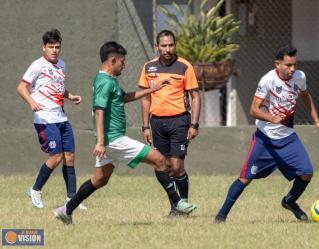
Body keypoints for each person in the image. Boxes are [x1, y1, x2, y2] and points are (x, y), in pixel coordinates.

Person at [54, 41, 197, 224]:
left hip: (109, 141)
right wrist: (100, 142)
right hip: (114, 140)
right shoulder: (105, 82)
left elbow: (125, 97)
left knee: (99, 179)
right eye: (122, 61)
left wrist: (154, 88)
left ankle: (66, 210)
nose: (124, 65)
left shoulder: (108, 80)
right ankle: (178, 203)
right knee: (160, 160)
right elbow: (99, 111)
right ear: (112, 60)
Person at [214, 45, 319, 223]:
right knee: (245, 178)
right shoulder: (267, 80)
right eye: (288, 65)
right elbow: (253, 110)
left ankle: (289, 201)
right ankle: (221, 216)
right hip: (265, 140)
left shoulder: (300, 77)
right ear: (277, 64)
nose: (292, 69)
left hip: (288, 138)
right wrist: (270, 117)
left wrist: (317, 121)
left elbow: (306, 96)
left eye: (294, 65)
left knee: (307, 172)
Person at [17, 29, 87, 210]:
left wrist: (71, 96)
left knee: (69, 157)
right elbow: (21, 87)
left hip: (61, 117)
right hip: (45, 119)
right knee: (55, 157)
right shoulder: (37, 65)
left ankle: (71, 199)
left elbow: (57, 87)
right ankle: (35, 189)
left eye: (57, 47)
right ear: (44, 48)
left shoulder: (62, 64)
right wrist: (31, 102)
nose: (54, 50)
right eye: (51, 47)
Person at [139, 30, 201, 216]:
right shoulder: (148, 67)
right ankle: (175, 207)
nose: (167, 49)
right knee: (164, 165)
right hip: (156, 122)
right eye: (164, 45)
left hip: (179, 120)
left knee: (176, 165)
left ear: (175, 45)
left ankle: (184, 204)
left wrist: (194, 124)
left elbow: (195, 96)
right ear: (157, 46)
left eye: (171, 45)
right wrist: (145, 126)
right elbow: (144, 98)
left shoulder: (184, 66)